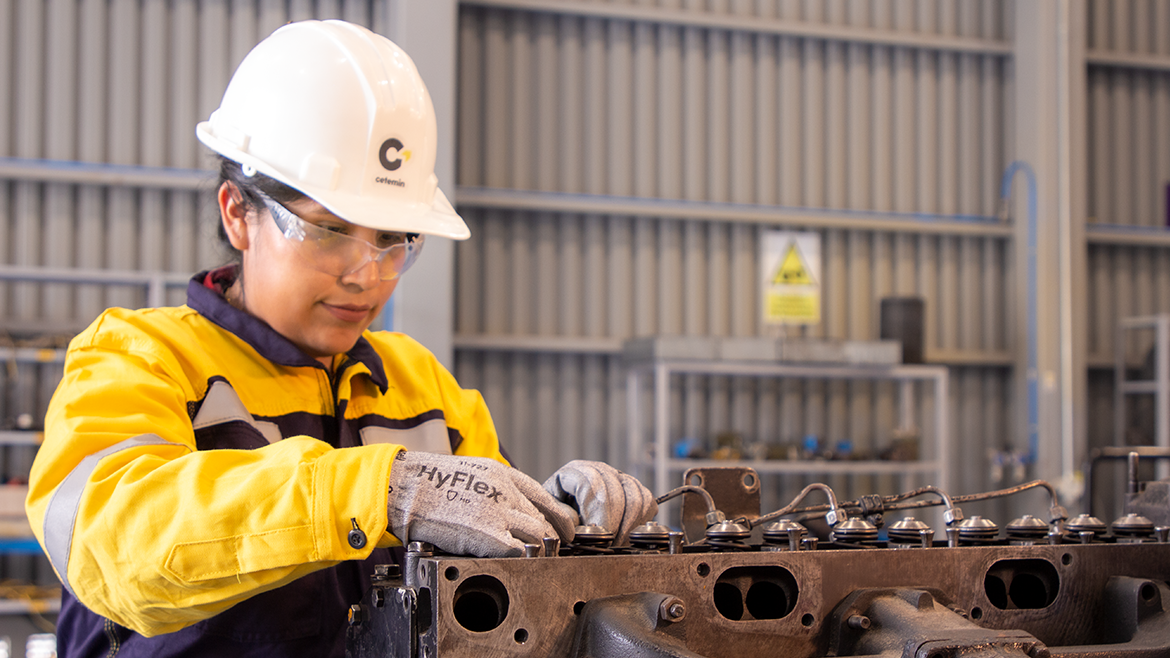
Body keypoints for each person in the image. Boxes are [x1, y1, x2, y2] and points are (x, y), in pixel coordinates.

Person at [25, 20, 657, 657]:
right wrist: (378, 492)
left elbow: (495, 588)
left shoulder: (422, 385)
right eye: (329, 231)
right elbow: (114, 548)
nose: (367, 275)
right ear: (237, 213)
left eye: (392, 240)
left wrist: (561, 522)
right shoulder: (137, 359)